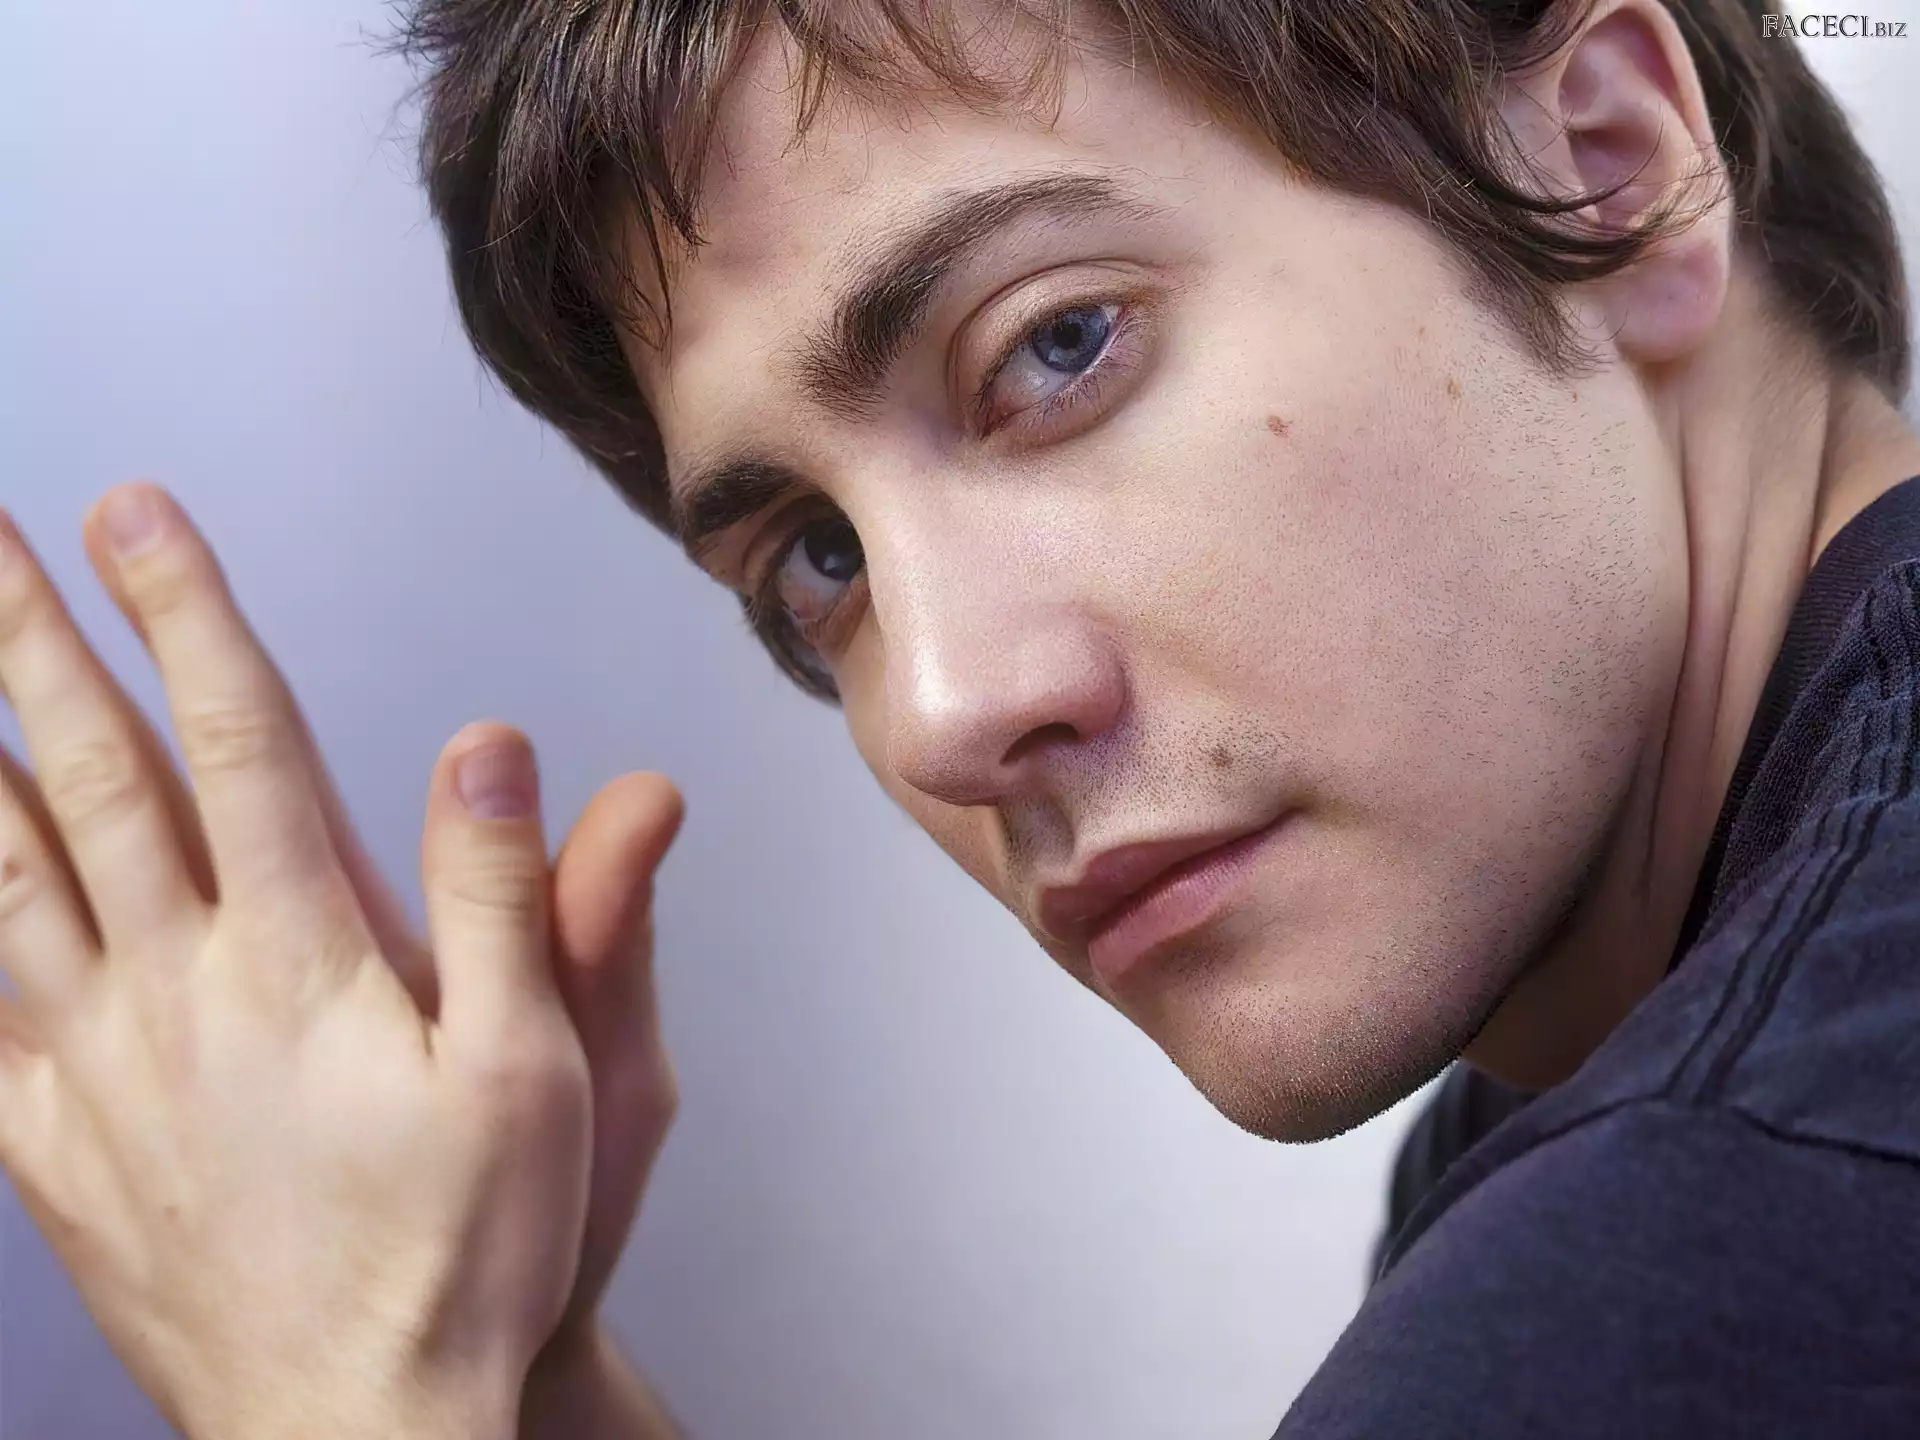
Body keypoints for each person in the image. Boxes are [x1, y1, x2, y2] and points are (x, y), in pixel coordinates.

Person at [0, 0, 1916, 1434]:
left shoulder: (1701, 1231)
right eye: (817, 559)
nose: (938, 713)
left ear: (1602, 161)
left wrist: (338, 1395)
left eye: (1053, 347)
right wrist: (522, 1377)